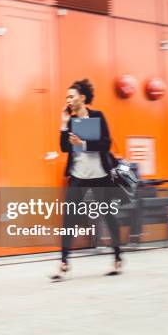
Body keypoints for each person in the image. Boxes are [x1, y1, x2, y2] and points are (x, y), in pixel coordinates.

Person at [53, 78, 122, 280]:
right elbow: (65, 148)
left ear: (82, 98)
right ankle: (64, 262)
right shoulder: (72, 121)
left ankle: (117, 257)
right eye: (66, 97)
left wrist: (83, 143)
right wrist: (64, 125)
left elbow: (106, 144)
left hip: (100, 176)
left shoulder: (98, 117)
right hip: (78, 176)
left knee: (108, 216)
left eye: (71, 96)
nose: (68, 99)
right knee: (69, 219)